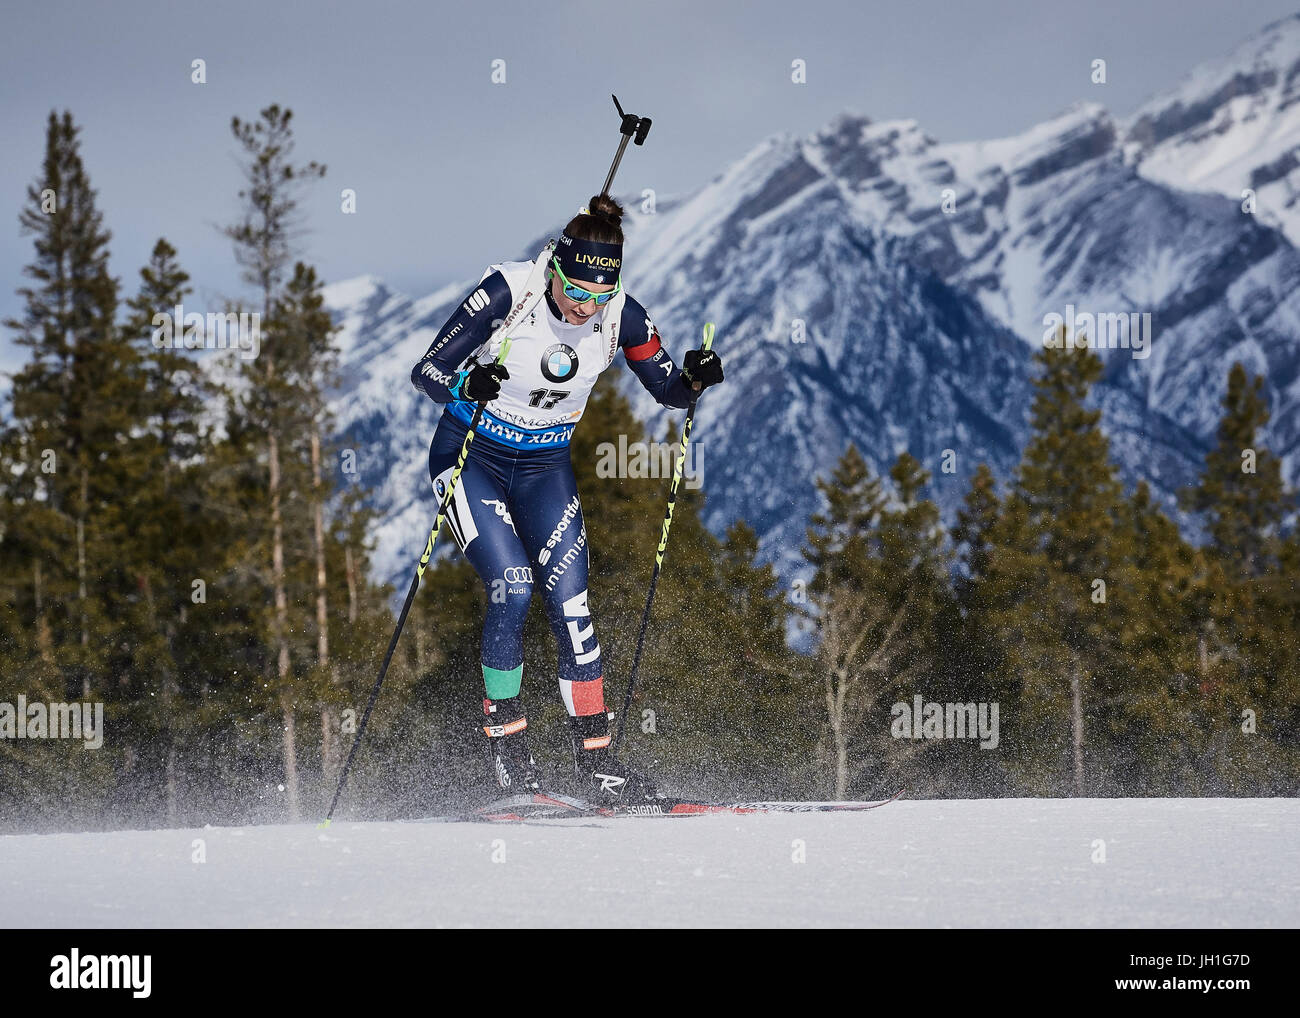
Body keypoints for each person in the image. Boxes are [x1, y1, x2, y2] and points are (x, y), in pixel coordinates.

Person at [409, 194, 724, 802]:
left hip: (544, 467)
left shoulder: (621, 318)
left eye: (599, 296)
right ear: (554, 267)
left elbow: (671, 392)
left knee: (572, 602)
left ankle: (599, 763)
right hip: (470, 458)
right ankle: (508, 752)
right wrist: (466, 384)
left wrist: (698, 377)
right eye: (575, 290)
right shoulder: (509, 291)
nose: (584, 308)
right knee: (513, 585)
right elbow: (428, 370)